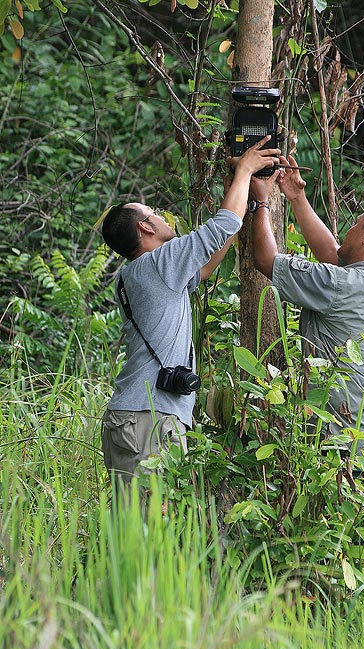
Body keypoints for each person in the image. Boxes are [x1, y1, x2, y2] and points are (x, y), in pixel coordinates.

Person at [242, 153, 364, 641]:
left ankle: (357, 638)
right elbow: (336, 259)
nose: (347, 233)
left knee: (348, 537)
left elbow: (265, 260)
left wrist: (262, 205)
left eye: (355, 224)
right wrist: (297, 197)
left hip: (348, 436)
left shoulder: (339, 286)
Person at [101, 136, 281, 498]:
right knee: (155, 532)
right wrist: (245, 168)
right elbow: (217, 228)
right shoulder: (158, 264)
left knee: (134, 530)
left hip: (128, 418)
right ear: (146, 229)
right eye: (155, 213)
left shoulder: (133, 276)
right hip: (149, 421)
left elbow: (205, 265)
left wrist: (245, 199)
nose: (162, 216)